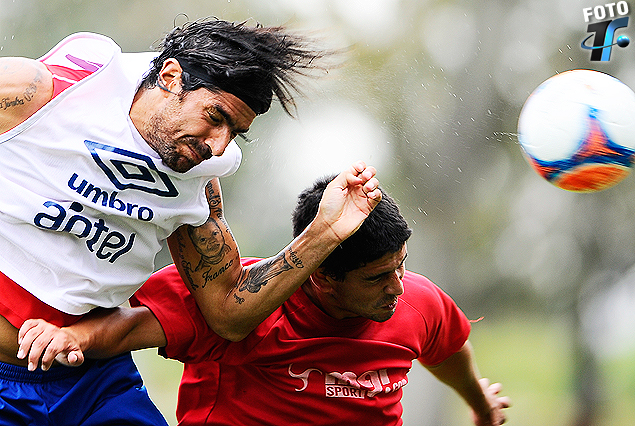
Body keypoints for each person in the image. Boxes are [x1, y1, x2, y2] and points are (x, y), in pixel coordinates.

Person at [0, 18, 381, 425]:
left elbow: (228, 314)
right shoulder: (48, 90)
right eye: (215, 116)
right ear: (170, 77)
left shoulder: (198, 179)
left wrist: (323, 233)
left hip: (92, 382)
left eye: (235, 132)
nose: (218, 145)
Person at [19, 176, 511, 426]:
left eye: (401, 266)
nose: (397, 287)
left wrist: (480, 403)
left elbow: (448, 348)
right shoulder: (239, 298)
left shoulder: (417, 301)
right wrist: (71, 336)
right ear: (321, 277)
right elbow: (132, 326)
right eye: (377, 277)